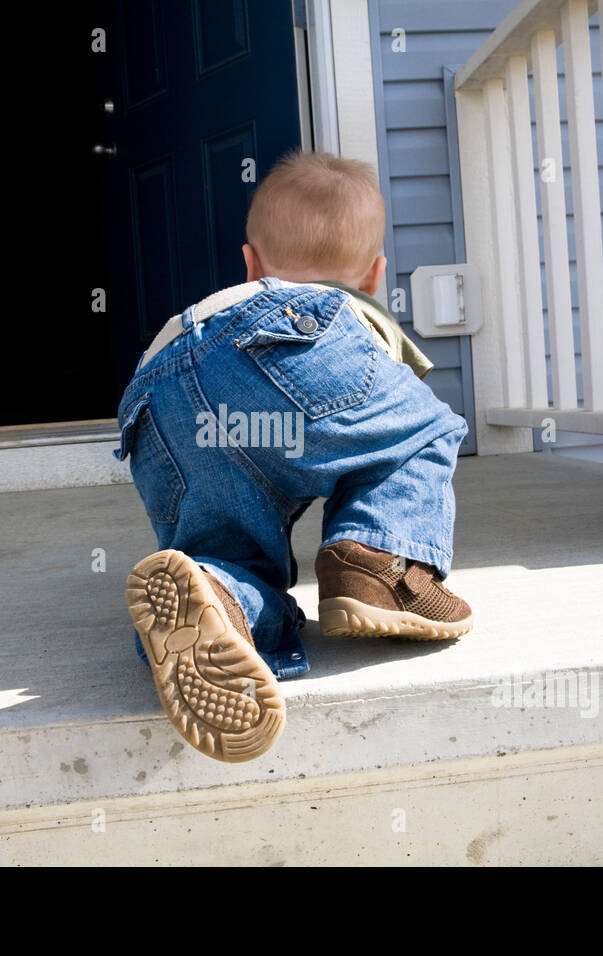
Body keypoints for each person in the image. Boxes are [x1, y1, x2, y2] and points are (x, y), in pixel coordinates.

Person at [115, 150, 472, 762]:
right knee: (423, 432)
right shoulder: (348, 314)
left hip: (156, 398)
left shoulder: (229, 296)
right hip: (293, 346)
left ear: (251, 264)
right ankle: (381, 562)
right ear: (376, 275)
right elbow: (390, 429)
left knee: (229, 549)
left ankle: (217, 592)